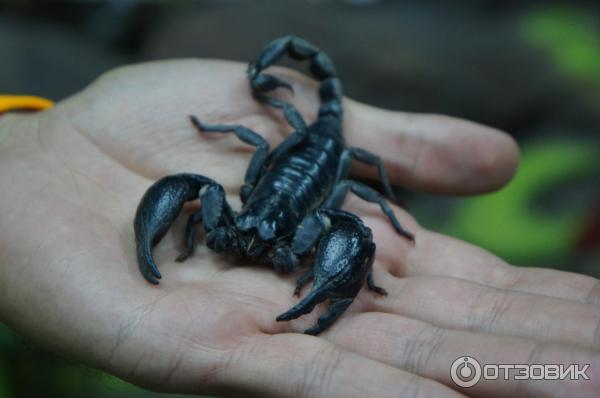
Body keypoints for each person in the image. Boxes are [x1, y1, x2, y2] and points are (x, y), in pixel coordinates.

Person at [0, 60, 597, 398]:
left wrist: (379, 212)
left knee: (352, 220)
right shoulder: (235, 198)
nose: (225, 238)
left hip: (318, 168)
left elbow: (348, 224)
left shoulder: (319, 212)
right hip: (281, 175)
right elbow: (210, 180)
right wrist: (173, 234)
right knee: (213, 175)